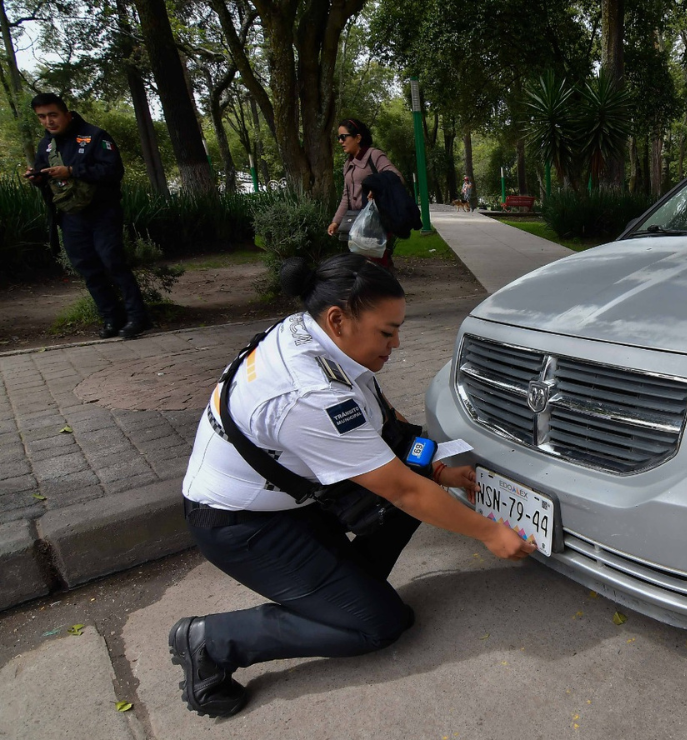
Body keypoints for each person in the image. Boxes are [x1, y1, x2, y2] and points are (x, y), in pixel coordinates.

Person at [170, 254, 535, 718]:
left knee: (412, 481)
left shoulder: (315, 333)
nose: (397, 343)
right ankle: (213, 641)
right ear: (339, 319)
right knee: (379, 623)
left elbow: (386, 426)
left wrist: (438, 469)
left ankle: (344, 591)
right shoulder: (309, 394)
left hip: (289, 497)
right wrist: (491, 533)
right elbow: (401, 490)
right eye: (387, 332)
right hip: (239, 526)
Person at [25, 93, 149, 339]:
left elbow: (113, 171)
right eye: (42, 117)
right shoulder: (46, 146)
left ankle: (138, 317)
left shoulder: (94, 136)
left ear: (66, 114)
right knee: (87, 268)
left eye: (53, 115)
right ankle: (112, 319)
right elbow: (47, 178)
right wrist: (38, 178)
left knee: (112, 261)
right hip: (71, 215)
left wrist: (71, 170)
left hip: (102, 211)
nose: (48, 121)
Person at [327, 118, 404, 269]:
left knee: (376, 266)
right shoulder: (348, 164)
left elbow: (397, 178)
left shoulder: (374, 156)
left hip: (376, 221)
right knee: (362, 267)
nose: (340, 141)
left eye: (343, 137)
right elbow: (346, 196)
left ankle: (388, 292)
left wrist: (377, 188)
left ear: (358, 137)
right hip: (357, 223)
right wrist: (336, 221)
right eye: (338, 138)